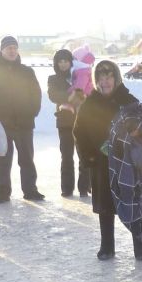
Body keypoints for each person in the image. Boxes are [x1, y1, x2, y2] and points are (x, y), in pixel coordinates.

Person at [75, 60, 142, 260]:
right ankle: (107, 246)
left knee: (132, 202)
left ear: (116, 78)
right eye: (101, 78)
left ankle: (140, 246)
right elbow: (79, 132)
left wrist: (137, 140)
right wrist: (90, 157)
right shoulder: (90, 103)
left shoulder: (128, 101)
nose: (105, 82)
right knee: (105, 206)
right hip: (101, 164)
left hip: (126, 162)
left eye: (109, 77)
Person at [0, 36, 44, 203]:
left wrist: (32, 112)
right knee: (2, 159)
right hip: (1, 124)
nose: (12, 51)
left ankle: (30, 190)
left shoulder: (27, 71)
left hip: (24, 123)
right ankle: (3, 192)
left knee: (27, 159)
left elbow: (36, 94)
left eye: (14, 48)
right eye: (8, 48)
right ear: (1, 50)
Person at [48, 49, 89, 198]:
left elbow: (88, 91)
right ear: (56, 63)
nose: (63, 64)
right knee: (66, 156)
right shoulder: (53, 79)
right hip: (64, 121)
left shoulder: (79, 75)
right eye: (60, 61)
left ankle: (84, 187)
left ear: (71, 62)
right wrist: (72, 94)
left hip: (82, 121)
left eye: (66, 61)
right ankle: (67, 188)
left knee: (84, 155)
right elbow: (54, 95)